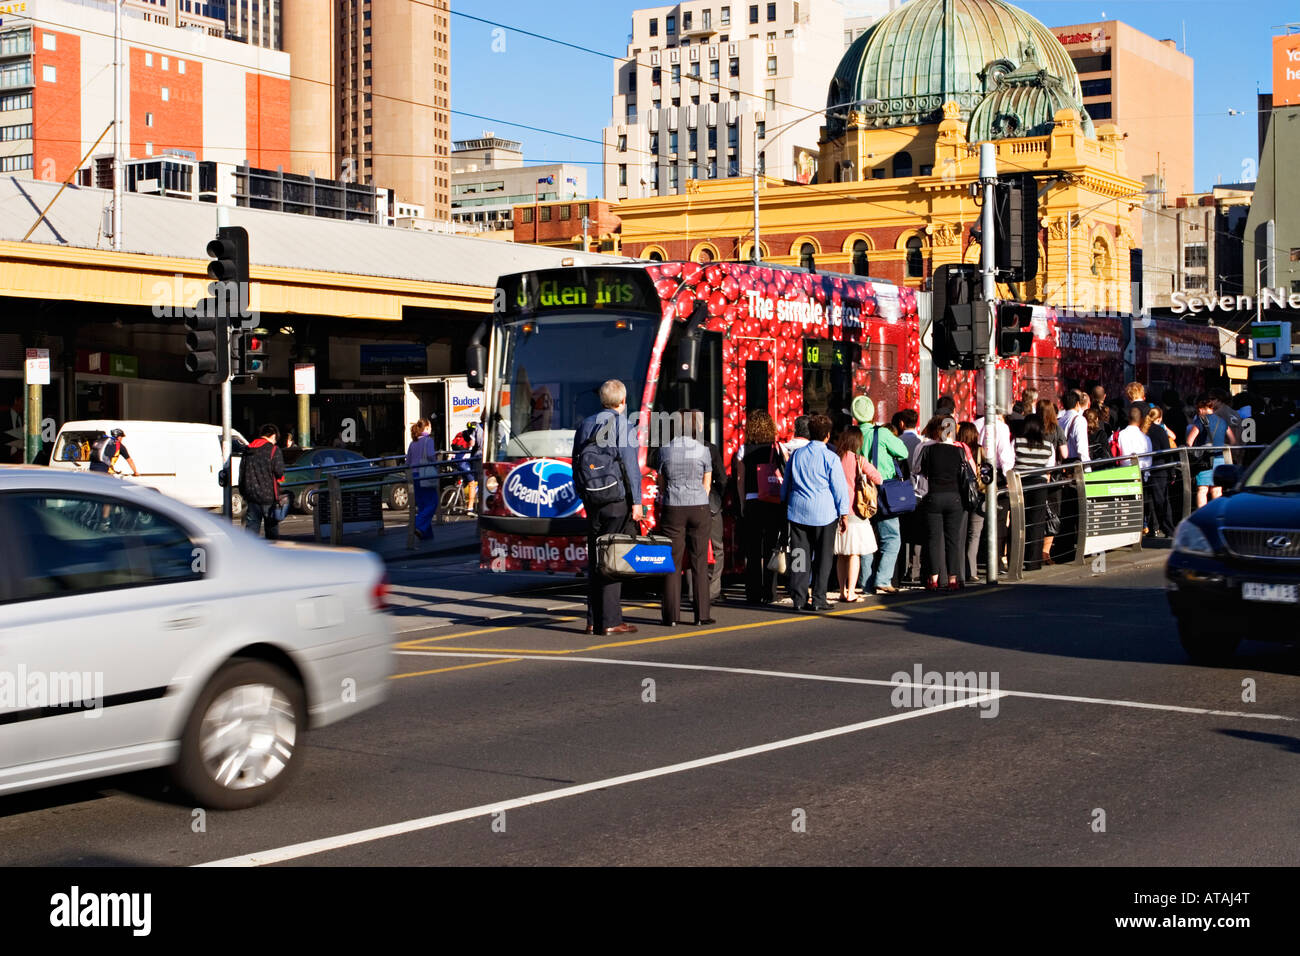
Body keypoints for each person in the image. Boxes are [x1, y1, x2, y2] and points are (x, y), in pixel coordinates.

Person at [573, 379, 642, 636]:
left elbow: (576, 463)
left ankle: (593, 620)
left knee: (595, 559)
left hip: (593, 500)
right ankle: (612, 621)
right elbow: (631, 467)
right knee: (613, 559)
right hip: (616, 500)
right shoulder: (623, 424)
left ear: (602, 400)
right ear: (623, 401)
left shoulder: (586, 424)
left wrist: (584, 495)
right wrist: (637, 502)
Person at [782, 414, 849, 612]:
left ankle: (799, 598)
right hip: (824, 513)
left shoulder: (796, 456)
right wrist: (843, 513)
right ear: (828, 435)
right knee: (823, 557)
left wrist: (784, 502)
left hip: (798, 511)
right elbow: (839, 488)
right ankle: (819, 598)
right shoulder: (831, 457)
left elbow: (786, 484)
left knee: (799, 555)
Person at [656, 410, 714, 626]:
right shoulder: (703, 450)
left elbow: (661, 484)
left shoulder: (665, 451)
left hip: (673, 505)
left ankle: (671, 616)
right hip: (698, 505)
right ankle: (702, 615)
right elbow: (707, 483)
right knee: (699, 560)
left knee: (673, 562)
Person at [734, 410, 786, 606]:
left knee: (753, 551)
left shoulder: (743, 450)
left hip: (752, 502)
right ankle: (770, 592)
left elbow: (740, 480)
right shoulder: (777, 448)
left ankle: (753, 593)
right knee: (772, 547)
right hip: (773, 501)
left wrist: (742, 504)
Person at [860, 397, 909, 595]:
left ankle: (865, 582)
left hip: (861, 492)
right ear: (872, 414)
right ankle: (882, 578)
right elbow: (903, 452)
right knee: (891, 537)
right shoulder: (881, 433)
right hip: (883, 491)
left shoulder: (851, 434)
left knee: (865, 539)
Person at [914, 415, 968, 590]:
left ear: (939, 430)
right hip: (954, 498)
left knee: (934, 539)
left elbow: (919, 471)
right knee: (953, 539)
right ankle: (953, 578)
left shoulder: (928, 450)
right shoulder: (959, 451)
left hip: (934, 497)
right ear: (952, 430)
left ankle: (934, 577)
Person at [833, 426, 879, 603]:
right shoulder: (859, 460)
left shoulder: (836, 458)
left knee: (842, 555)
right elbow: (879, 478)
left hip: (837, 511)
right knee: (854, 554)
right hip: (856, 511)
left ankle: (842, 591)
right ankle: (851, 591)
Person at [1013, 414, 1056, 571]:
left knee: (1019, 521)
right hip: (1039, 484)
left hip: (1020, 484)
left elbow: (1010, 462)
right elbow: (1050, 466)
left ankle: (1016, 558)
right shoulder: (1047, 445)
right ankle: (1033, 561)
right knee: (1037, 522)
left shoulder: (1017, 441)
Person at [1186, 393, 1233, 508]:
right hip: (1220, 459)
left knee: (1202, 490)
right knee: (1217, 491)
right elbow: (1233, 440)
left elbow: (1189, 441)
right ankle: (1216, 515)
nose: (1198, 412)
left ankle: (1202, 517)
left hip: (1205, 460)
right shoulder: (1222, 421)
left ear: (1202, 409)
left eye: (1198, 409)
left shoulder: (1201, 421)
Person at [240, 424, 285, 539]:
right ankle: (272, 555)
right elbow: (279, 471)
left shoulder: (248, 449)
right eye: (275, 439)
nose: (275, 442)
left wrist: (243, 493)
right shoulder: (274, 450)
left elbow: (242, 473)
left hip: (251, 496)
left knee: (251, 531)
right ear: (273, 435)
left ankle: (250, 554)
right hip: (268, 496)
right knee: (271, 531)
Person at [958, 421, 988, 582]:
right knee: (974, 534)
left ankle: (959, 570)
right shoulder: (980, 450)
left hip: (961, 495)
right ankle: (972, 570)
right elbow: (987, 471)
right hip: (978, 495)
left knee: (960, 533)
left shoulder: (957, 449)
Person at [1037, 399, 1066, 563]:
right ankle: (1045, 552)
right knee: (1053, 513)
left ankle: (1034, 548)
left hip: (1034, 475)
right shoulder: (1057, 429)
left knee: (1037, 512)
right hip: (1053, 476)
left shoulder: (1033, 428)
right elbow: (1065, 452)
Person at [1143, 406, 1176, 538]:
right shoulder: (1160, 431)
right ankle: (1168, 528)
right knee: (1163, 501)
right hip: (1160, 468)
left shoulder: (1144, 430)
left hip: (1147, 468)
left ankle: (1153, 527)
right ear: (1160, 418)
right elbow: (1167, 451)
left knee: (1150, 501)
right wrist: (1172, 471)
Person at [406, 418, 438, 539]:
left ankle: (426, 534)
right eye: (430, 426)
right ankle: (417, 524)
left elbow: (408, 461)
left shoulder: (412, 443)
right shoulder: (428, 441)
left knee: (423, 505)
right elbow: (430, 456)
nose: (431, 429)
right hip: (425, 475)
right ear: (426, 428)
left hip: (414, 475)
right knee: (433, 502)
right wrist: (436, 462)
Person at [1058, 390, 1091, 463]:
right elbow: (1082, 448)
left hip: (1063, 463)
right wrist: (1087, 468)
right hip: (1076, 463)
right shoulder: (1080, 420)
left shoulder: (1059, 421)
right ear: (1077, 403)